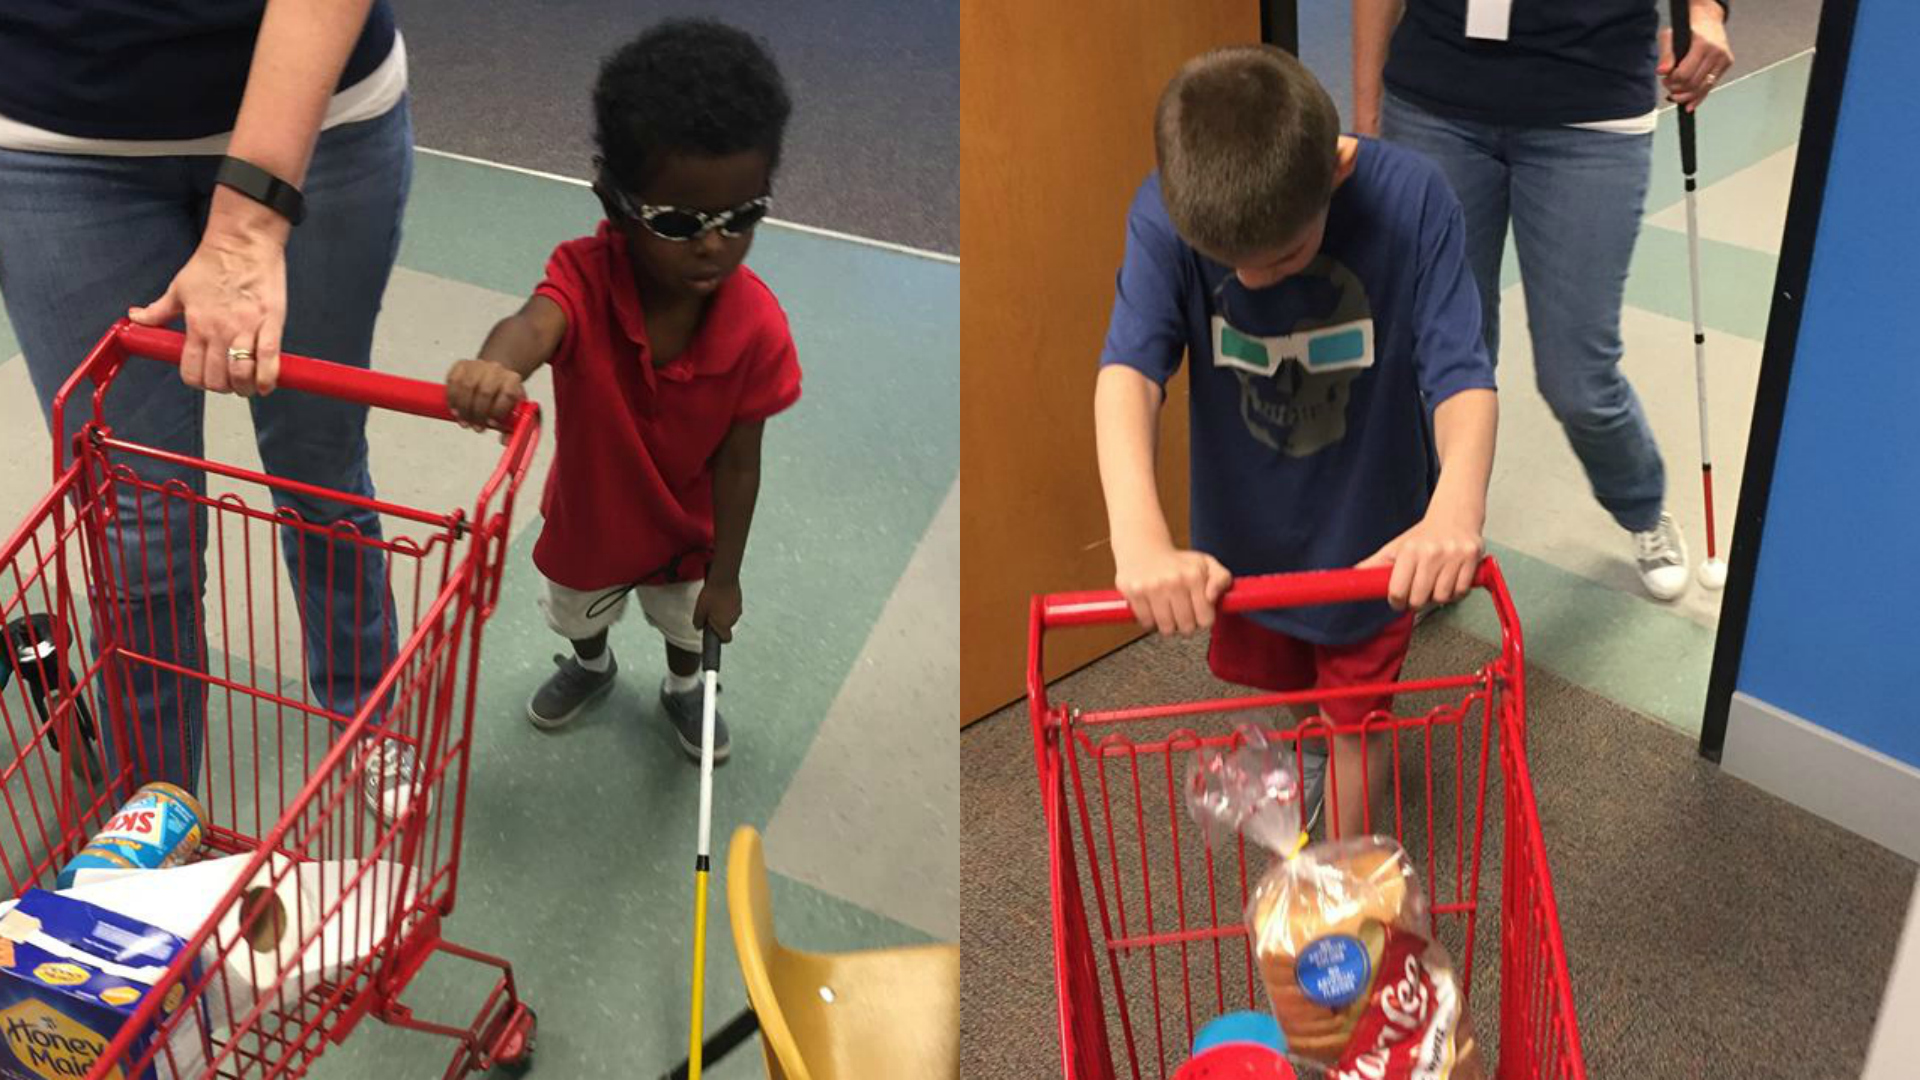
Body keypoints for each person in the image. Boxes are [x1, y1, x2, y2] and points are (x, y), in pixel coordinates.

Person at [0, 1, 417, 816]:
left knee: (319, 465)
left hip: (322, 116)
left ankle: (368, 708)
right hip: (52, 136)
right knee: (133, 521)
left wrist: (248, 221)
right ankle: (154, 805)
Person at [1094, 45, 1496, 837]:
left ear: (1338, 169)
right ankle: (1313, 744)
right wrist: (1138, 538)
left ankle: (1343, 884)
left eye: (1281, 257)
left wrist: (1455, 505)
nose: (1251, 284)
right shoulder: (1163, 215)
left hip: (1370, 531)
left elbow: (1461, 375)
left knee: (1356, 717)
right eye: (1227, 266)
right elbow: (1128, 376)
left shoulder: (1413, 199)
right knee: (1289, 686)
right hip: (1248, 531)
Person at [444, 19, 800, 765]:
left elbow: (740, 465)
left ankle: (682, 691)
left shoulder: (759, 326)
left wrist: (727, 577)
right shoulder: (582, 275)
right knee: (576, 614)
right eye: (678, 222)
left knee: (685, 632)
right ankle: (592, 667)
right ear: (614, 199)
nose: (714, 244)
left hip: (686, 539)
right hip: (591, 521)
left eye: (743, 217)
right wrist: (494, 367)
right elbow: (531, 326)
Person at [1354, 0, 1734, 601]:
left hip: (1591, 108)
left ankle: (1641, 506)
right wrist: (1368, 109)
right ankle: (1435, 531)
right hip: (1435, 96)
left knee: (1577, 379)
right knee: (1436, 354)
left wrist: (1707, 11)